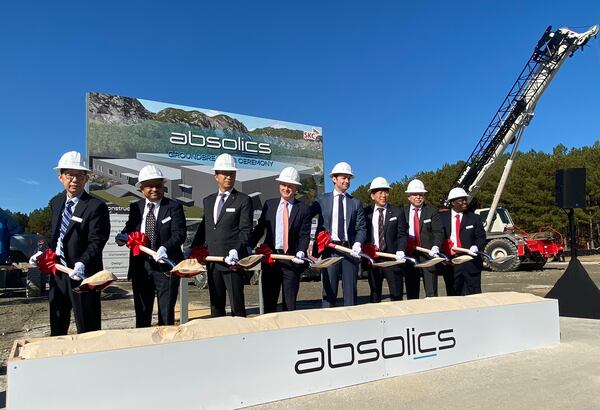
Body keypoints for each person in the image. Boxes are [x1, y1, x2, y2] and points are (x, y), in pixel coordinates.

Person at [48, 151, 110, 335]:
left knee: (87, 326)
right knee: (57, 325)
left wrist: (82, 262)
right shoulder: (56, 202)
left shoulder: (95, 206)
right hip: (59, 274)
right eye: (70, 175)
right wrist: (43, 252)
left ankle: (91, 361)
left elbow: (97, 240)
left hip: (84, 275)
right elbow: (55, 234)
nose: (74, 179)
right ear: (61, 177)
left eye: (79, 175)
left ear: (86, 178)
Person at [119, 165, 186, 327]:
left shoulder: (173, 207)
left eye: (158, 185)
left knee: (166, 313)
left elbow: (179, 234)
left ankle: (166, 348)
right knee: (142, 312)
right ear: (142, 188)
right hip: (141, 267)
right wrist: (122, 236)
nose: (154, 189)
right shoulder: (136, 207)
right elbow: (130, 229)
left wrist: (165, 248)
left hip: (165, 268)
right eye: (149, 186)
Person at [191, 153, 253, 317]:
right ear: (216, 176)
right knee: (216, 306)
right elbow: (205, 228)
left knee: (237, 306)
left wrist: (236, 250)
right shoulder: (208, 201)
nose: (228, 177)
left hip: (232, 262)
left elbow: (246, 230)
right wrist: (192, 250)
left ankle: (241, 339)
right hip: (213, 262)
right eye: (225, 174)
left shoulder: (243, 200)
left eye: (232, 173)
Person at [249, 167, 311, 312]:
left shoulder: (303, 209)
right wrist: (248, 245)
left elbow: (304, 234)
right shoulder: (269, 205)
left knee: (289, 306)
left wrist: (301, 251)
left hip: (291, 261)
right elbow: (260, 229)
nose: (286, 188)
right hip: (271, 260)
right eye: (283, 184)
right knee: (269, 304)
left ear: (296, 188)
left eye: (290, 186)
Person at [311, 161, 366, 307]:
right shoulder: (322, 200)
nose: (347, 181)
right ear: (334, 179)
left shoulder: (355, 203)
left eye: (349, 178)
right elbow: (305, 217)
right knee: (328, 293)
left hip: (349, 251)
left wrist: (358, 243)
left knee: (350, 295)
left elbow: (361, 228)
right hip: (330, 251)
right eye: (343, 177)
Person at [363, 177, 408, 302]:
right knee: (375, 294)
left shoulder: (397, 212)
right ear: (372, 196)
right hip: (373, 260)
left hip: (392, 259)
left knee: (396, 294)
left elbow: (402, 234)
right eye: (380, 192)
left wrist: (401, 250)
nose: (383, 195)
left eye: (386, 192)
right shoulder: (366, 213)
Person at [440, 187, 486, 295]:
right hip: (452, 263)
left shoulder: (474, 218)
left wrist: (476, 246)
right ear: (452, 202)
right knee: (454, 296)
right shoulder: (441, 218)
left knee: (474, 296)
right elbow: (437, 238)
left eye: (465, 199)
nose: (465, 202)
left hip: (470, 262)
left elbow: (481, 237)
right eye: (461, 200)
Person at [403, 179, 444, 297]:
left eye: (420, 194)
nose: (418, 197)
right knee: (412, 291)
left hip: (428, 255)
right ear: (408, 196)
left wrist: (436, 246)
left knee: (431, 292)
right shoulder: (402, 212)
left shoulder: (432, 212)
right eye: (415, 194)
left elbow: (438, 232)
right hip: (410, 255)